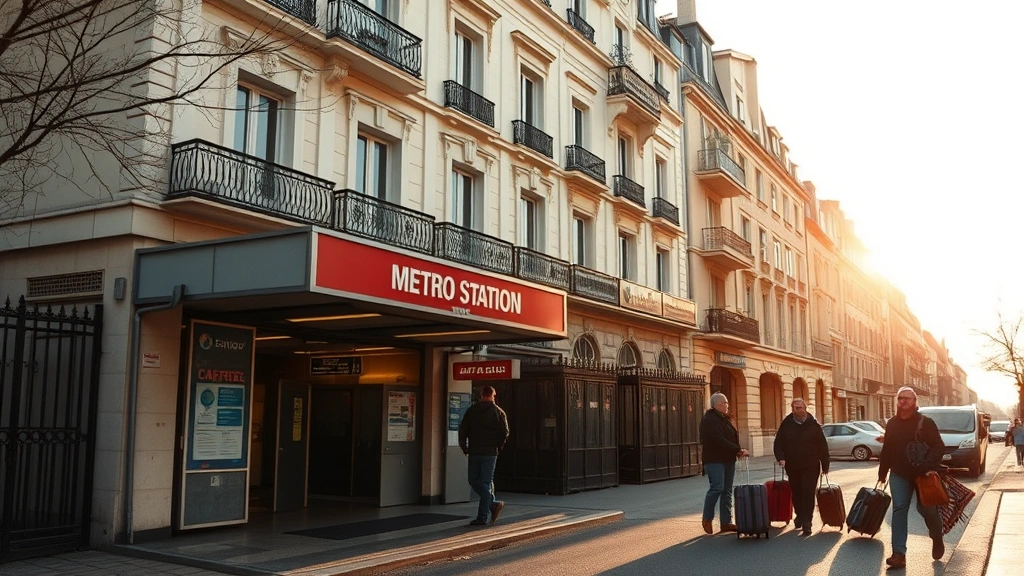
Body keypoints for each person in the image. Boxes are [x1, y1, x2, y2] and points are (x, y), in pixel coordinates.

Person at [878, 387, 945, 569]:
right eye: (900, 398)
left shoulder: (926, 422)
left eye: (907, 398)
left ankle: (936, 535)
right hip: (899, 473)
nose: (903, 401)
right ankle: (899, 554)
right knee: (899, 509)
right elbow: (888, 449)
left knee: (927, 509)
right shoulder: (892, 423)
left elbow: (939, 447)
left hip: (923, 475)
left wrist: (927, 467)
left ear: (915, 402)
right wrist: (882, 472)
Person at [773, 397, 830, 535]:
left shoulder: (813, 425)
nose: (798, 410)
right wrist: (781, 458)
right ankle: (799, 514)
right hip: (792, 465)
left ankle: (807, 522)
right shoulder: (786, 424)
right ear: (792, 409)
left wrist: (825, 465)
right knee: (797, 492)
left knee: (808, 492)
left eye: (801, 407)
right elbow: (778, 443)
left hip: (811, 464)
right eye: (795, 407)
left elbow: (822, 446)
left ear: (805, 408)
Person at [458, 385, 510, 527]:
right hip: (490, 453)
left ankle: (483, 517)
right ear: (493, 395)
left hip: (474, 451)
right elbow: (505, 433)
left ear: (482, 395)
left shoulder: (472, 410)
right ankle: (491, 506)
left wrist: (464, 447)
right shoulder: (499, 412)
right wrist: (498, 447)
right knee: (486, 483)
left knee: (474, 481)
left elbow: (463, 430)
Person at [700, 392, 749, 535]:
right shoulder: (710, 419)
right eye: (725, 403)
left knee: (727, 490)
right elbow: (718, 439)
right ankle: (707, 519)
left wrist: (737, 451)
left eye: (727, 403)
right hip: (714, 460)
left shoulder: (724, 419)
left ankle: (726, 522)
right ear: (717, 404)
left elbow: (731, 437)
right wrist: (737, 449)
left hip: (728, 459)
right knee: (717, 488)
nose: (727, 405)